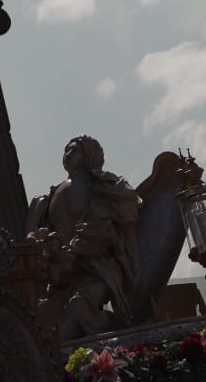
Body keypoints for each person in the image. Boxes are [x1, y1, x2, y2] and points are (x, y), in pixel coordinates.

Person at [32, 135, 142, 339]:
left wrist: (74, 252)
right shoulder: (46, 199)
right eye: (66, 150)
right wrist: (46, 247)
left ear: (90, 154)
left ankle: (120, 333)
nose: (67, 154)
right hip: (62, 277)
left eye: (74, 150)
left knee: (78, 308)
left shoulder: (106, 188)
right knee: (38, 322)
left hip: (97, 270)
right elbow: (32, 241)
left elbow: (103, 232)